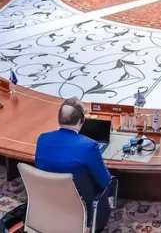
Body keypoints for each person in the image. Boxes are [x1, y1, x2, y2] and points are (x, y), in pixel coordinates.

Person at [35, 99, 114, 232]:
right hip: (82, 210)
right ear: (81, 121)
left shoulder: (42, 138)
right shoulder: (89, 146)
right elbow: (105, 182)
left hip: (49, 204)